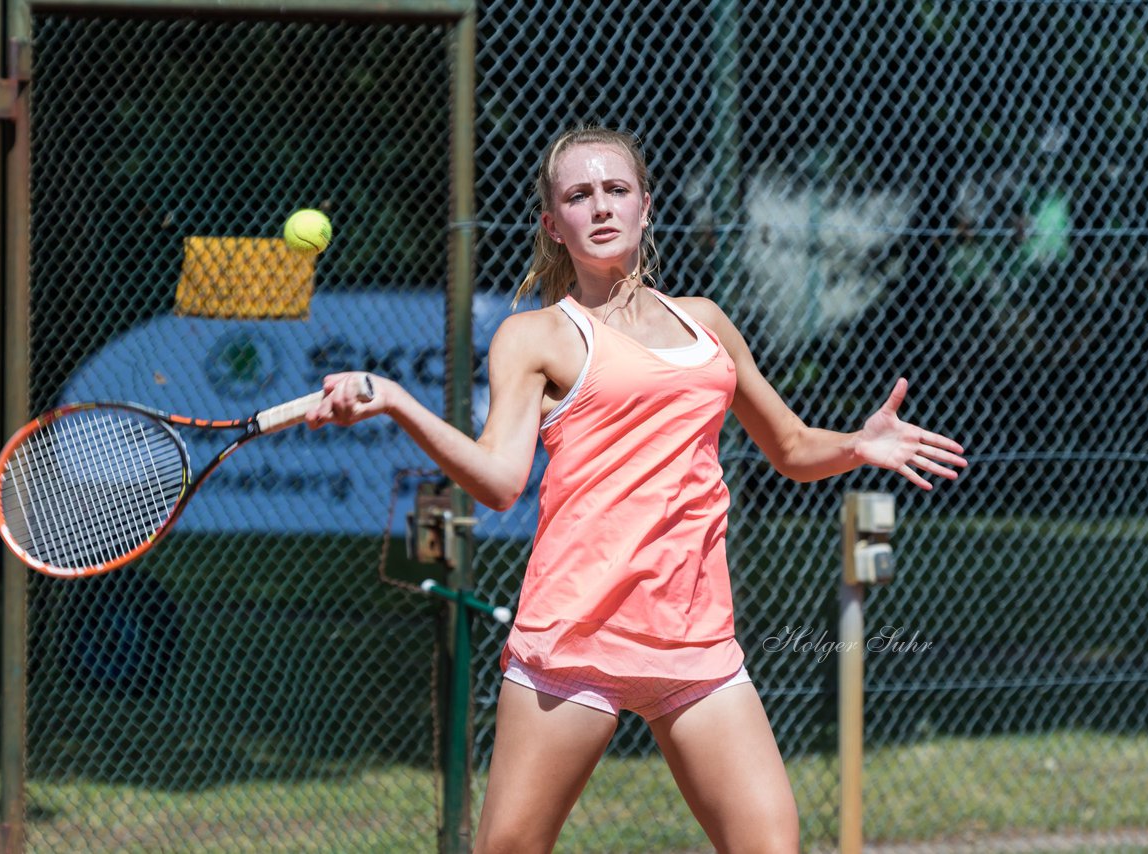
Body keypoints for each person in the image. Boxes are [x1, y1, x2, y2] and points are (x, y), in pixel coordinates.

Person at [306, 126, 967, 854]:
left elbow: (790, 448)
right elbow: (498, 481)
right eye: (579, 196)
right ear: (552, 225)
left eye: (616, 190)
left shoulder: (706, 322)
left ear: (646, 207)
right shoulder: (535, 337)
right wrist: (399, 400)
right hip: (578, 637)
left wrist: (857, 445)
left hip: (697, 643)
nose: (601, 207)